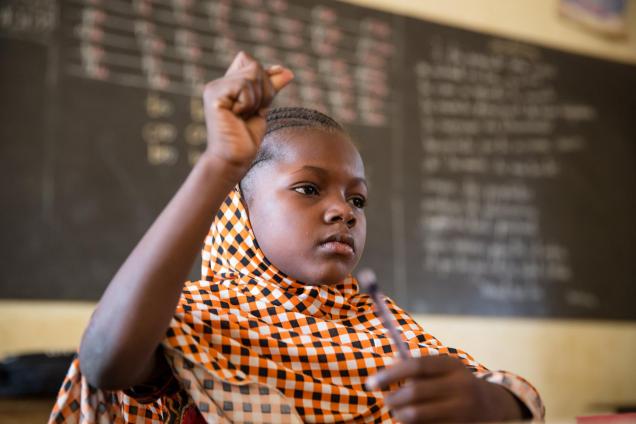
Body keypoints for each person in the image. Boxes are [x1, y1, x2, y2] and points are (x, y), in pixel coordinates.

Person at [49, 52, 544, 423]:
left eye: (358, 200)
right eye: (308, 189)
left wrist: (489, 404)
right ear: (236, 211)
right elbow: (106, 363)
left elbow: (504, 395)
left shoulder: (381, 328)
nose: (343, 212)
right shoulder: (195, 319)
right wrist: (220, 165)